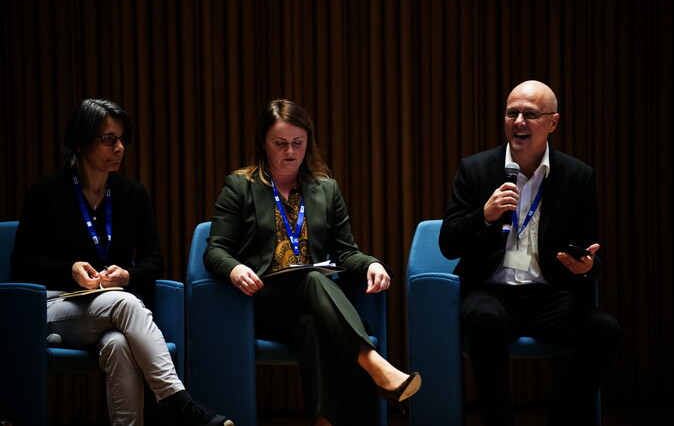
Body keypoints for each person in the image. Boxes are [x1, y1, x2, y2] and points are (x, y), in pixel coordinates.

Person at [11, 99, 234, 426]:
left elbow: (154, 261)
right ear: (79, 141)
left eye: (122, 139)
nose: (119, 148)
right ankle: (180, 403)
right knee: (125, 304)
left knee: (118, 343)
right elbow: (22, 261)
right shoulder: (47, 191)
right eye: (108, 139)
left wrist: (128, 275)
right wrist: (68, 269)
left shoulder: (132, 195)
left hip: (112, 310)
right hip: (56, 306)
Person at [203, 99, 421, 425]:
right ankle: (377, 366)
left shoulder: (325, 190)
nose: (290, 151)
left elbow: (346, 251)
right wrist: (234, 268)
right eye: (280, 143)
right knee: (315, 280)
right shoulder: (241, 186)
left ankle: (322, 421)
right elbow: (215, 250)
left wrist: (373, 264)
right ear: (263, 141)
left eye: (298, 143)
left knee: (311, 321)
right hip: (262, 300)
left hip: (314, 305)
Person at [438, 81, 621, 426]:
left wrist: (585, 267)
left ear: (553, 122)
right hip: (490, 292)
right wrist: (485, 215)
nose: (519, 121)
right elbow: (448, 244)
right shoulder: (475, 169)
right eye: (512, 113)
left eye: (530, 114)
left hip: (549, 295)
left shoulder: (577, 176)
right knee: (484, 319)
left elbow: (590, 256)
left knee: (605, 330)